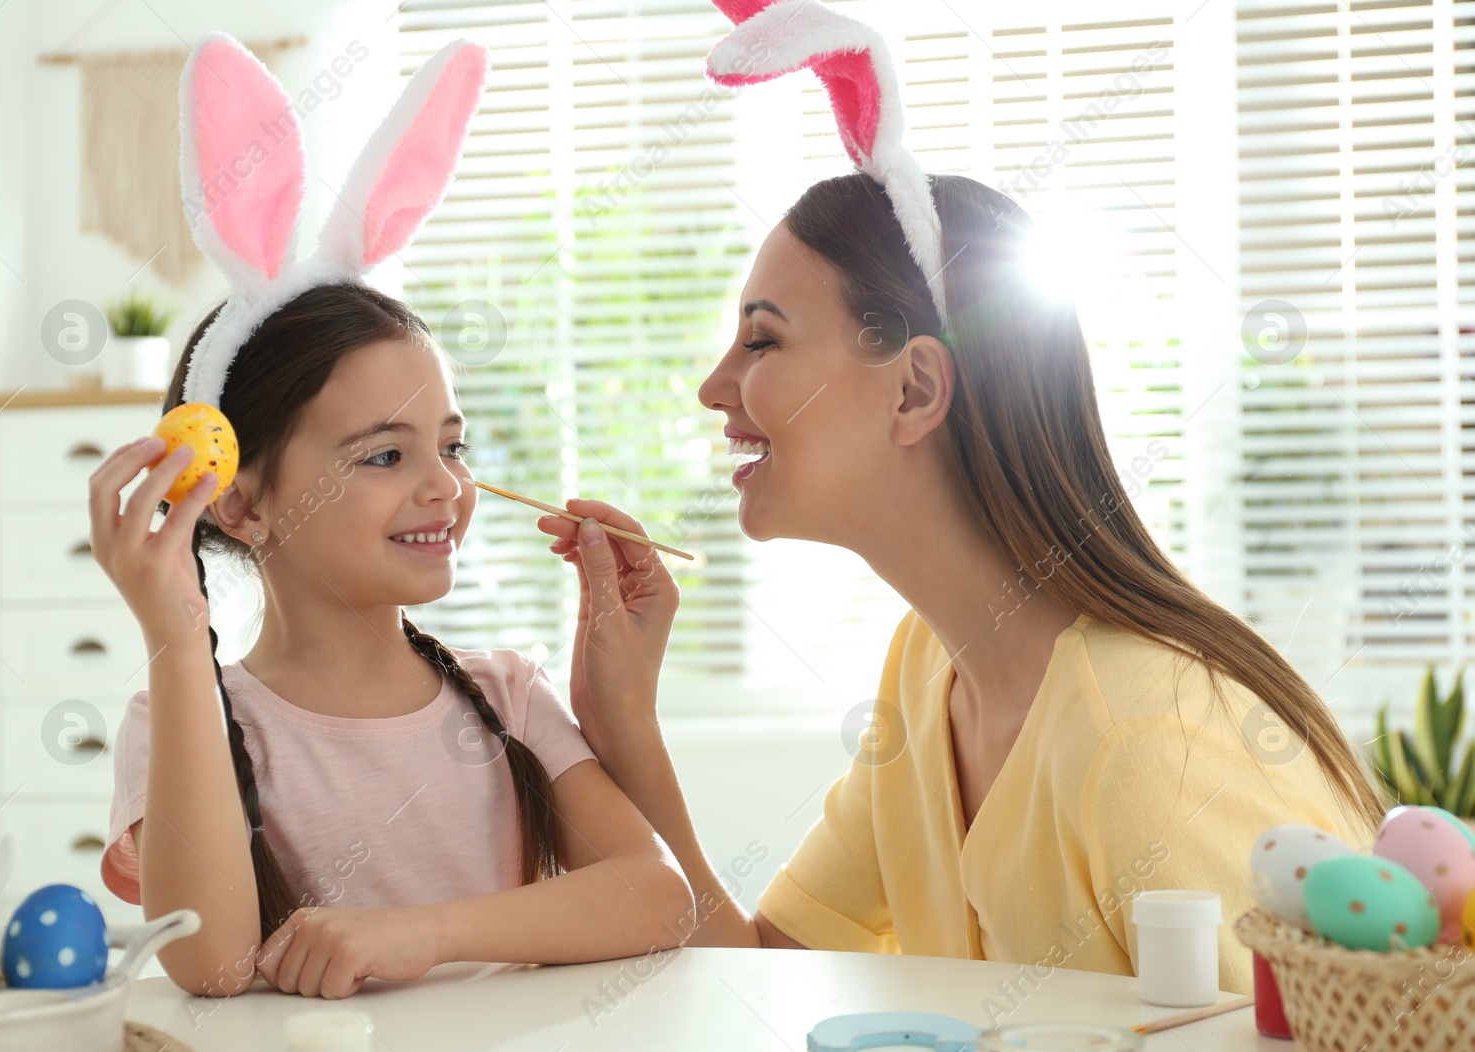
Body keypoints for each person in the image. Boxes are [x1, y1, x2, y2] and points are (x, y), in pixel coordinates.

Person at [536, 0, 1385, 997]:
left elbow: (1322, 1041)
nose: (714, 385)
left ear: (914, 389)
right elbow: (756, 978)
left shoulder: (1149, 737)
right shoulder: (929, 670)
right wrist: (624, 716)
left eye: (762, 340)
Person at [93, 34, 692, 1001]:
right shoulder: (186, 719)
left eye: (450, 445)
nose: (445, 487)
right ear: (241, 501)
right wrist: (175, 631)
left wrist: (421, 934)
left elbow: (659, 899)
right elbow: (209, 963)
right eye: (384, 454)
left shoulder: (506, 699)